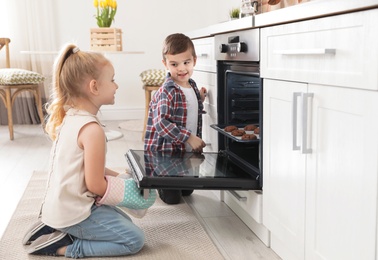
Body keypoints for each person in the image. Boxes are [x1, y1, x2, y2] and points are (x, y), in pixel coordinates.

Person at [22, 44, 156, 258]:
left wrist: (125, 176)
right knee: (134, 239)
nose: (117, 85)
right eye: (112, 79)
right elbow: (95, 185)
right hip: (75, 213)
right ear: (94, 87)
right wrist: (125, 192)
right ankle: (63, 245)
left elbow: (90, 169)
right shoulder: (92, 130)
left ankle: (59, 227)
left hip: (64, 205)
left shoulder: (71, 118)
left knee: (126, 222)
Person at [144, 33, 207, 204]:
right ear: (165, 64)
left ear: (194, 60)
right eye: (174, 64)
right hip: (166, 154)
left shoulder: (192, 85)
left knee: (188, 191)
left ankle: (178, 180)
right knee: (173, 199)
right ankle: (160, 183)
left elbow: (187, 107)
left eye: (186, 62)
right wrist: (189, 137)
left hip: (185, 153)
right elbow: (161, 123)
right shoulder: (167, 91)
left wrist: (199, 98)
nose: (181, 69)